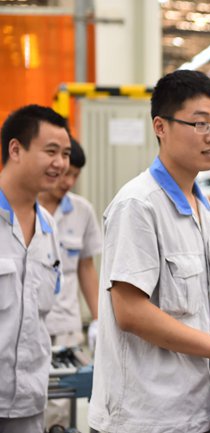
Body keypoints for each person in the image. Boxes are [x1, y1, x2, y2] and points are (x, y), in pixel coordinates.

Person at [88, 70, 210, 433]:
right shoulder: (138, 205)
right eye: (200, 123)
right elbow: (130, 311)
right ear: (160, 126)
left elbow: (201, 291)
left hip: (193, 411)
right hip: (144, 419)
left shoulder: (202, 208)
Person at [0, 104, 71, 433]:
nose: (61, 163)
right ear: (16, 149)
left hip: (28, 401)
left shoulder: (49, 228)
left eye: (65, 154)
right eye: (51, 151)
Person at [38, 137, 102, 429]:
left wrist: (99, 319)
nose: (68, 181)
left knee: (60, 411)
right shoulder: (25, 207)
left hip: (66, 326)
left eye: (75, 175)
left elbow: (86, 268)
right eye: (65, 173)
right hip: (29, 325)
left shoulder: (82, 210)